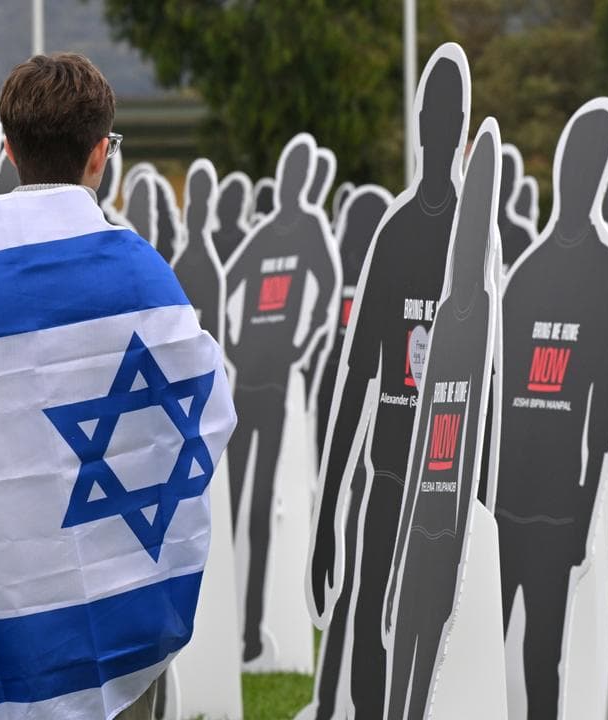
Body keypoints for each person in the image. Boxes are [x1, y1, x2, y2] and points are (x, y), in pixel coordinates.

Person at [0, 54, 235, 720]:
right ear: (102, 154)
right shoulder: (140, 278)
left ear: (8, 149)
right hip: (110, 598)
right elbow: (202, 412)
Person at [307, 47, 468, 720]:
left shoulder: (474, 240)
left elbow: (488, 387)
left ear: (459, 125)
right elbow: (356, 375)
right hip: (388, 476)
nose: (436, 130)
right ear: (420, 122)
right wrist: (325, 515)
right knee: (369, 623)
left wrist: (480, 506)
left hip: (446, 486)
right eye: (427, 115)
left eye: (447, 116)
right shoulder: (397, 230)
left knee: (435, 642)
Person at [494, 103, 608, 719]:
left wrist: (583, 509)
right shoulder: (529, 272)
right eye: (574, 159)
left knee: (541, 656)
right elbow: (499, 390)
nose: (580, 173)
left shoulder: (604, 271)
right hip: (506, 500)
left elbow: (603, 410)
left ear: (601, 172)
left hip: (558, 506)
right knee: (487, 648)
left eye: (592, 162)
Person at [384, 120, 499, 720]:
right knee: (401, 669)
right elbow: (427, 428)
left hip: (455, 530)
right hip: (421, 517)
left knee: (434, 675)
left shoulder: (484, 317)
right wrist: (405, 536)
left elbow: (487, 435)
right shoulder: (450, 317)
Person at [224, 134, 338, 664]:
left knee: (262, 509)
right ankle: (227, 624)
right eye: (290, 170)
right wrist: (237, 342)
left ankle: (249, 630)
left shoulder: (312, 229)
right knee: (232, 506)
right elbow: (231, 284)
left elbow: (329, 287)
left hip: (273, 386)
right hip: (246, 378)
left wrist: (300, 343)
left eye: (302, 172)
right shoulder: (267, 232)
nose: (296, 180)